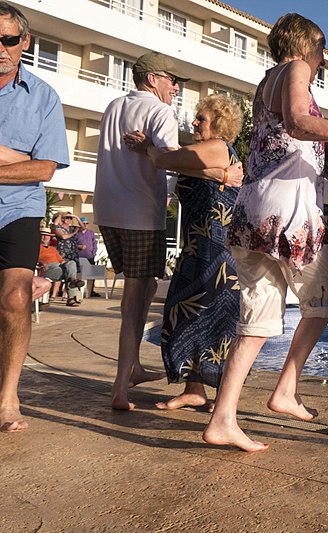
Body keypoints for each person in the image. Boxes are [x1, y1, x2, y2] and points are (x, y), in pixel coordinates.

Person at [202, 13, 328, 452]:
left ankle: (224, 418)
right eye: (320, 53)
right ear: (308, 46)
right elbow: (298, 122)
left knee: (255, 322)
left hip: (253, 212)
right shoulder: (295, 69)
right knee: (325, 298)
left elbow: (289, 141)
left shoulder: (265, 83)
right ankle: (285, 389)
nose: (319, 63)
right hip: (289, 216)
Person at [94, 51, 242, 411]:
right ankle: (125, 380)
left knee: (155, 301)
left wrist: (220, 173)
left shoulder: (114, 106)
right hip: (144, 217)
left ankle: (137, 372)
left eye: (201, 118)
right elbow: (169, 156)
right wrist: (221, 175)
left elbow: (169, 158)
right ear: (153, 79)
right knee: (140, 302)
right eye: (172, 81)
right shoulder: (160, 112)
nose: (176, 89)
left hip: (111, 211)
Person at [127, 94, 244, 411]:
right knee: (185, 316)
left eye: (201, 118)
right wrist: (152, 147)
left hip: (217, 253)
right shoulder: (203, 154)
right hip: (196, 248)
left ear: (219, 124)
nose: (194, 122)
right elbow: (177, 159)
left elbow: (166, 160)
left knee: (217, 321)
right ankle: (195, 389)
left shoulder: (218, 148)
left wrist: (150, 149)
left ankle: (221, 395)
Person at [0, 1, 69, 432]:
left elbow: (45, 168)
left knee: (15, 297)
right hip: (18, 191)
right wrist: (17, 158)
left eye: (9, 39)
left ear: (24, 42)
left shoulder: (44, 96)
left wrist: (25, 162)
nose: (0, 48)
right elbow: (32, 161)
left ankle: (7, 399)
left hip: (18, 209)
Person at [38, 228, 83, 306]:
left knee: (71, 263)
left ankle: (72, 280)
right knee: (69, 273)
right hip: (47, 268)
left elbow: (61, 260)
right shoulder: (36, 248)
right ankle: (71, 297)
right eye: (43, 235)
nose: (45, 237)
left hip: (59, 267)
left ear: (50, 237)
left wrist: (67, 264)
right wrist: (41, 263)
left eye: (47, 236)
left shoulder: (53, 249)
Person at [75, 216, 101, 297]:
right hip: (79, 257)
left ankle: (91, 290)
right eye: (83, 223)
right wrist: (78, 246)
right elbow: (72, 244)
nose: (85, 225)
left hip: (89, 257)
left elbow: (94, 244)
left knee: (92, 274)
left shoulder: (91, 232)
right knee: (78, 274)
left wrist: (93, 253)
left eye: (87, 223)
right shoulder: (76, 233)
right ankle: (77, 289)